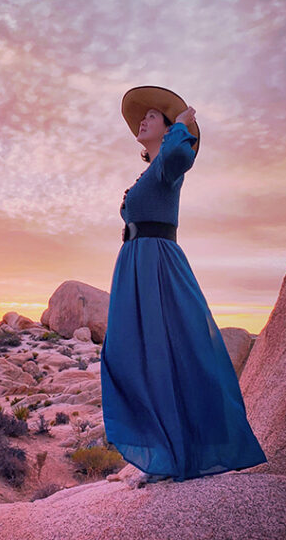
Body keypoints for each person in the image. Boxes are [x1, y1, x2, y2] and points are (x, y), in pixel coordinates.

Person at [100, 84, 268, 486]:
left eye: (151, 117)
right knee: (130, 355)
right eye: (143, 118)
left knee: (167, 355)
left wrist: (182, 125)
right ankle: (164, 452)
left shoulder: (172, 161)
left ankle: (174, 457)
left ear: (169, 126)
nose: (142, 121)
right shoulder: (150, 171)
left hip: (158, 266)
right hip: (136, 267)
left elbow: (179, 154)